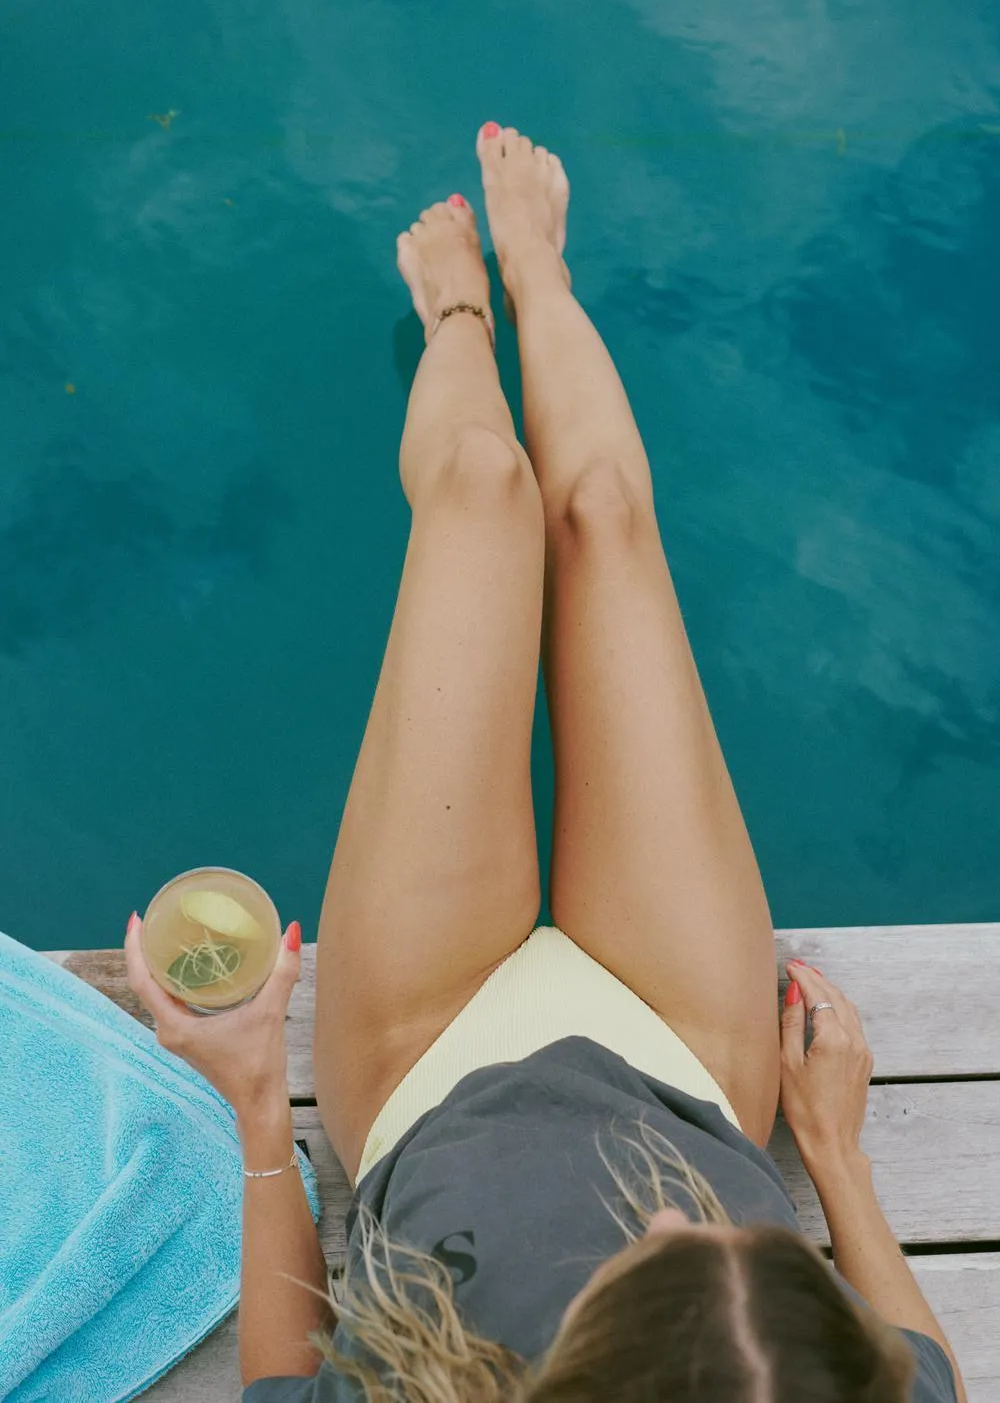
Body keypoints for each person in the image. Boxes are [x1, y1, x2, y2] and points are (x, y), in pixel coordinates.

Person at [126, 124, 967, 1402]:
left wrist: (256, 1103)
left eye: (652, 1268)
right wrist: (835, 1164)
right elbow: (926, 1377)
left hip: (427, 1075)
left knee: (480, 487)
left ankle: (457, 308)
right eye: (750, 1249)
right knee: (604, 522)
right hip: (684, 1069)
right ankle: (539, 272)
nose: (671, 1220)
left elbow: (278, 1380)